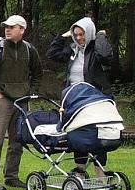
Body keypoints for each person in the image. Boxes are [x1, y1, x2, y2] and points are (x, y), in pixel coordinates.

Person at [0, 15, 42, 190]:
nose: (7, 29)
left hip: (22, 101)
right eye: (6, 26)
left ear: (22, 29)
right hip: (1, 100)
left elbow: (37, 74)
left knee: (18, 141)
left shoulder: (30, 50)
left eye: (12, 27)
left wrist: (31, 92)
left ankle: (11, 177)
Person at [47, 17, 113, 178]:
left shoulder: (96, 49)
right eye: (75, 35)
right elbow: (52, 54)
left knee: (98, 134)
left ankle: (100, 170)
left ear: (89, 33)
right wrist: (62, 37)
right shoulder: (72, 49)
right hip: (75, 99)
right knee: (77, 133)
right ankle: (80, 169)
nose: (78, 38)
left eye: (82, 34)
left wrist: (100, 36)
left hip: (95, 99)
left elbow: (105, 55)